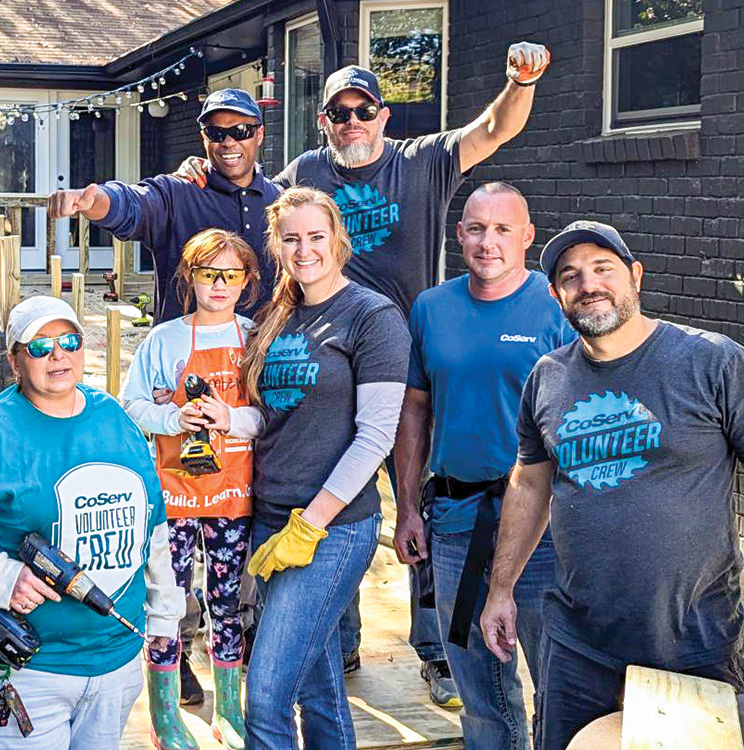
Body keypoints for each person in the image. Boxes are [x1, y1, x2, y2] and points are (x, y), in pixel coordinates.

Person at [178, 42, 551, 701]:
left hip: (413, 362)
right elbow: (258, 204)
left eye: (363, 109)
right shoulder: (308, 169)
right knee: (338, 500)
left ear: (383, 114)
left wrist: (519, 80)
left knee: (422, 507)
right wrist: (196, 175)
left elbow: (496, 127)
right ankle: (340, 644)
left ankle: (436, 652)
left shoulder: (422, 160)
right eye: (338, 113)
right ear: (324, 121)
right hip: (331, 362)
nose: (352, 121)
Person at [479, 221, 744, 750]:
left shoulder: (712, 361)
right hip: (578, 646)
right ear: (556, 296)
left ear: (636, 277)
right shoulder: (548, 377)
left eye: (604, 269)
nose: (589, 284)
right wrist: (501, 588)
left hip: (694, 643)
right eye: (571, 276)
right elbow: (530, 484)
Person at [212, 186, 409, 749]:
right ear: (276, 244)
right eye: (291, 238)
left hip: (333, 528)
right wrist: (230, 418)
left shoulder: (372, 317)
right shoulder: (278, 316)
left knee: (267, 696)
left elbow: (375, 436)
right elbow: (273, 419)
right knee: (318, 690)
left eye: (316, 237)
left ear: (338, 241)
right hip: (271, 518)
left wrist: (312, 522)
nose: (304, 250)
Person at [0, 295, 184, 750]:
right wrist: (2, 574)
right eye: (39, 345)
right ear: (15, 360)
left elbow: (152, 527)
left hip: (114, 666)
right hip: (20, 676)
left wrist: (165, 615)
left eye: (69, 341)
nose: (58, 354)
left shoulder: (113, 417)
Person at [393, 183, 576, 749]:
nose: (488, 242)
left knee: (560, 681)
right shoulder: (431, 307)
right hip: (456, 521)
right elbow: (415, 411)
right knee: (478, 685)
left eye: (502, 230)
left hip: (546, 531)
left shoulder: (558, 309)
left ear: (527, 237)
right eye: (476, 228)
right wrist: (406, 508)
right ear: (459, 236)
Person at [121, 229, 260, 750]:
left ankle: (229, 710)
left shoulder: (257, 336)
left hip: (235, 492)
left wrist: (233, 417)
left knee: (228, 603)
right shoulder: (164, 340)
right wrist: (172, 416)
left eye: (231, 274)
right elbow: (130, 405)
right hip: (173, 493)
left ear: (247, 281)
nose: (219, 284)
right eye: (208, 273)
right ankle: (164, 717)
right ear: (190, 277)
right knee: (167, 602)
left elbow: (270, 415)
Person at [47, 88, 282, 324]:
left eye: (241, 131)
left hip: (264, 355)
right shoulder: (177, 193)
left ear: (259, 135)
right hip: (186, 356)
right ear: (204, 138)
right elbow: (132, 203)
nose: (229, 142)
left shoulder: (281, 202)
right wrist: (93, 200)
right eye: (216, 133)